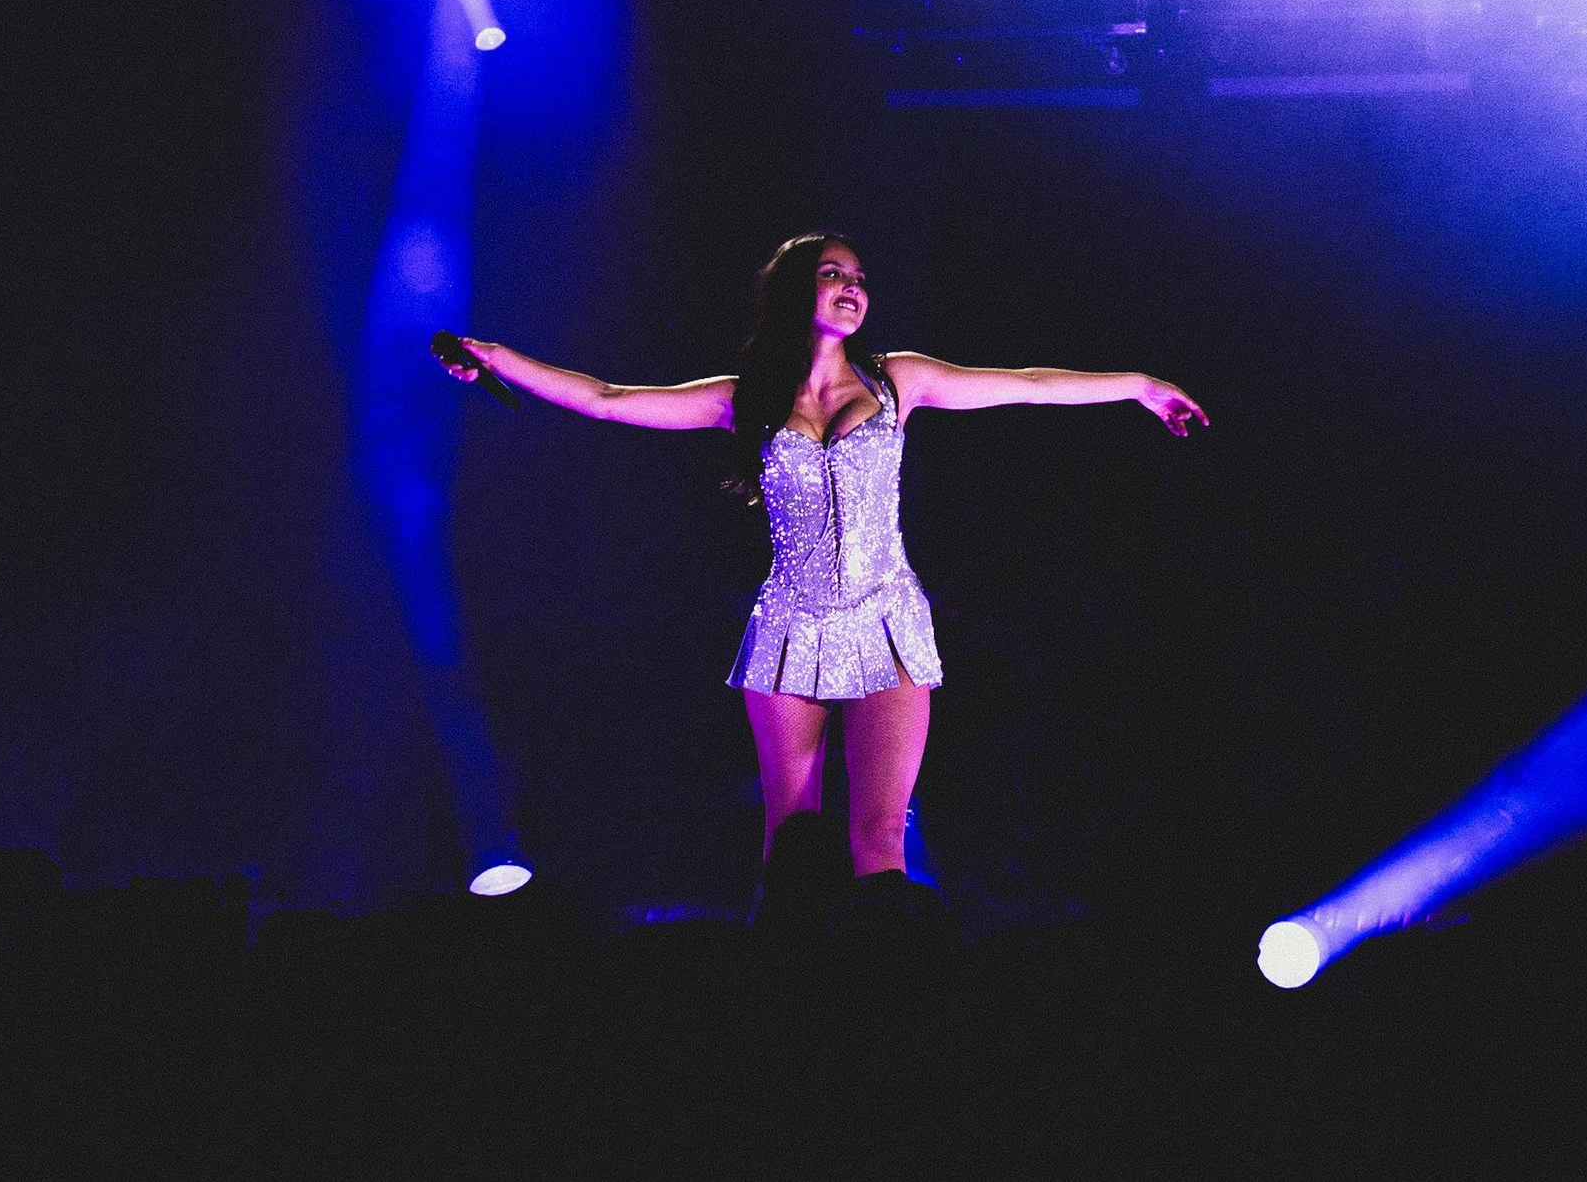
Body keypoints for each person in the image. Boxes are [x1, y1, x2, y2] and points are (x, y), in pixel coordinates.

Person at [441, 231, 1206, 894]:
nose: (854, 286)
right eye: (835, 272)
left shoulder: (897, 378)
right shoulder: (746, 397)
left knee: (878, 841)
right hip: (790, 627)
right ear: (793, 288)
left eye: (861, 277)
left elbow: (1030, 386)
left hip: (886, 620)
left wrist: (1140, 386)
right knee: (790, 842)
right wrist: (499, 359)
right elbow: (607, 398)